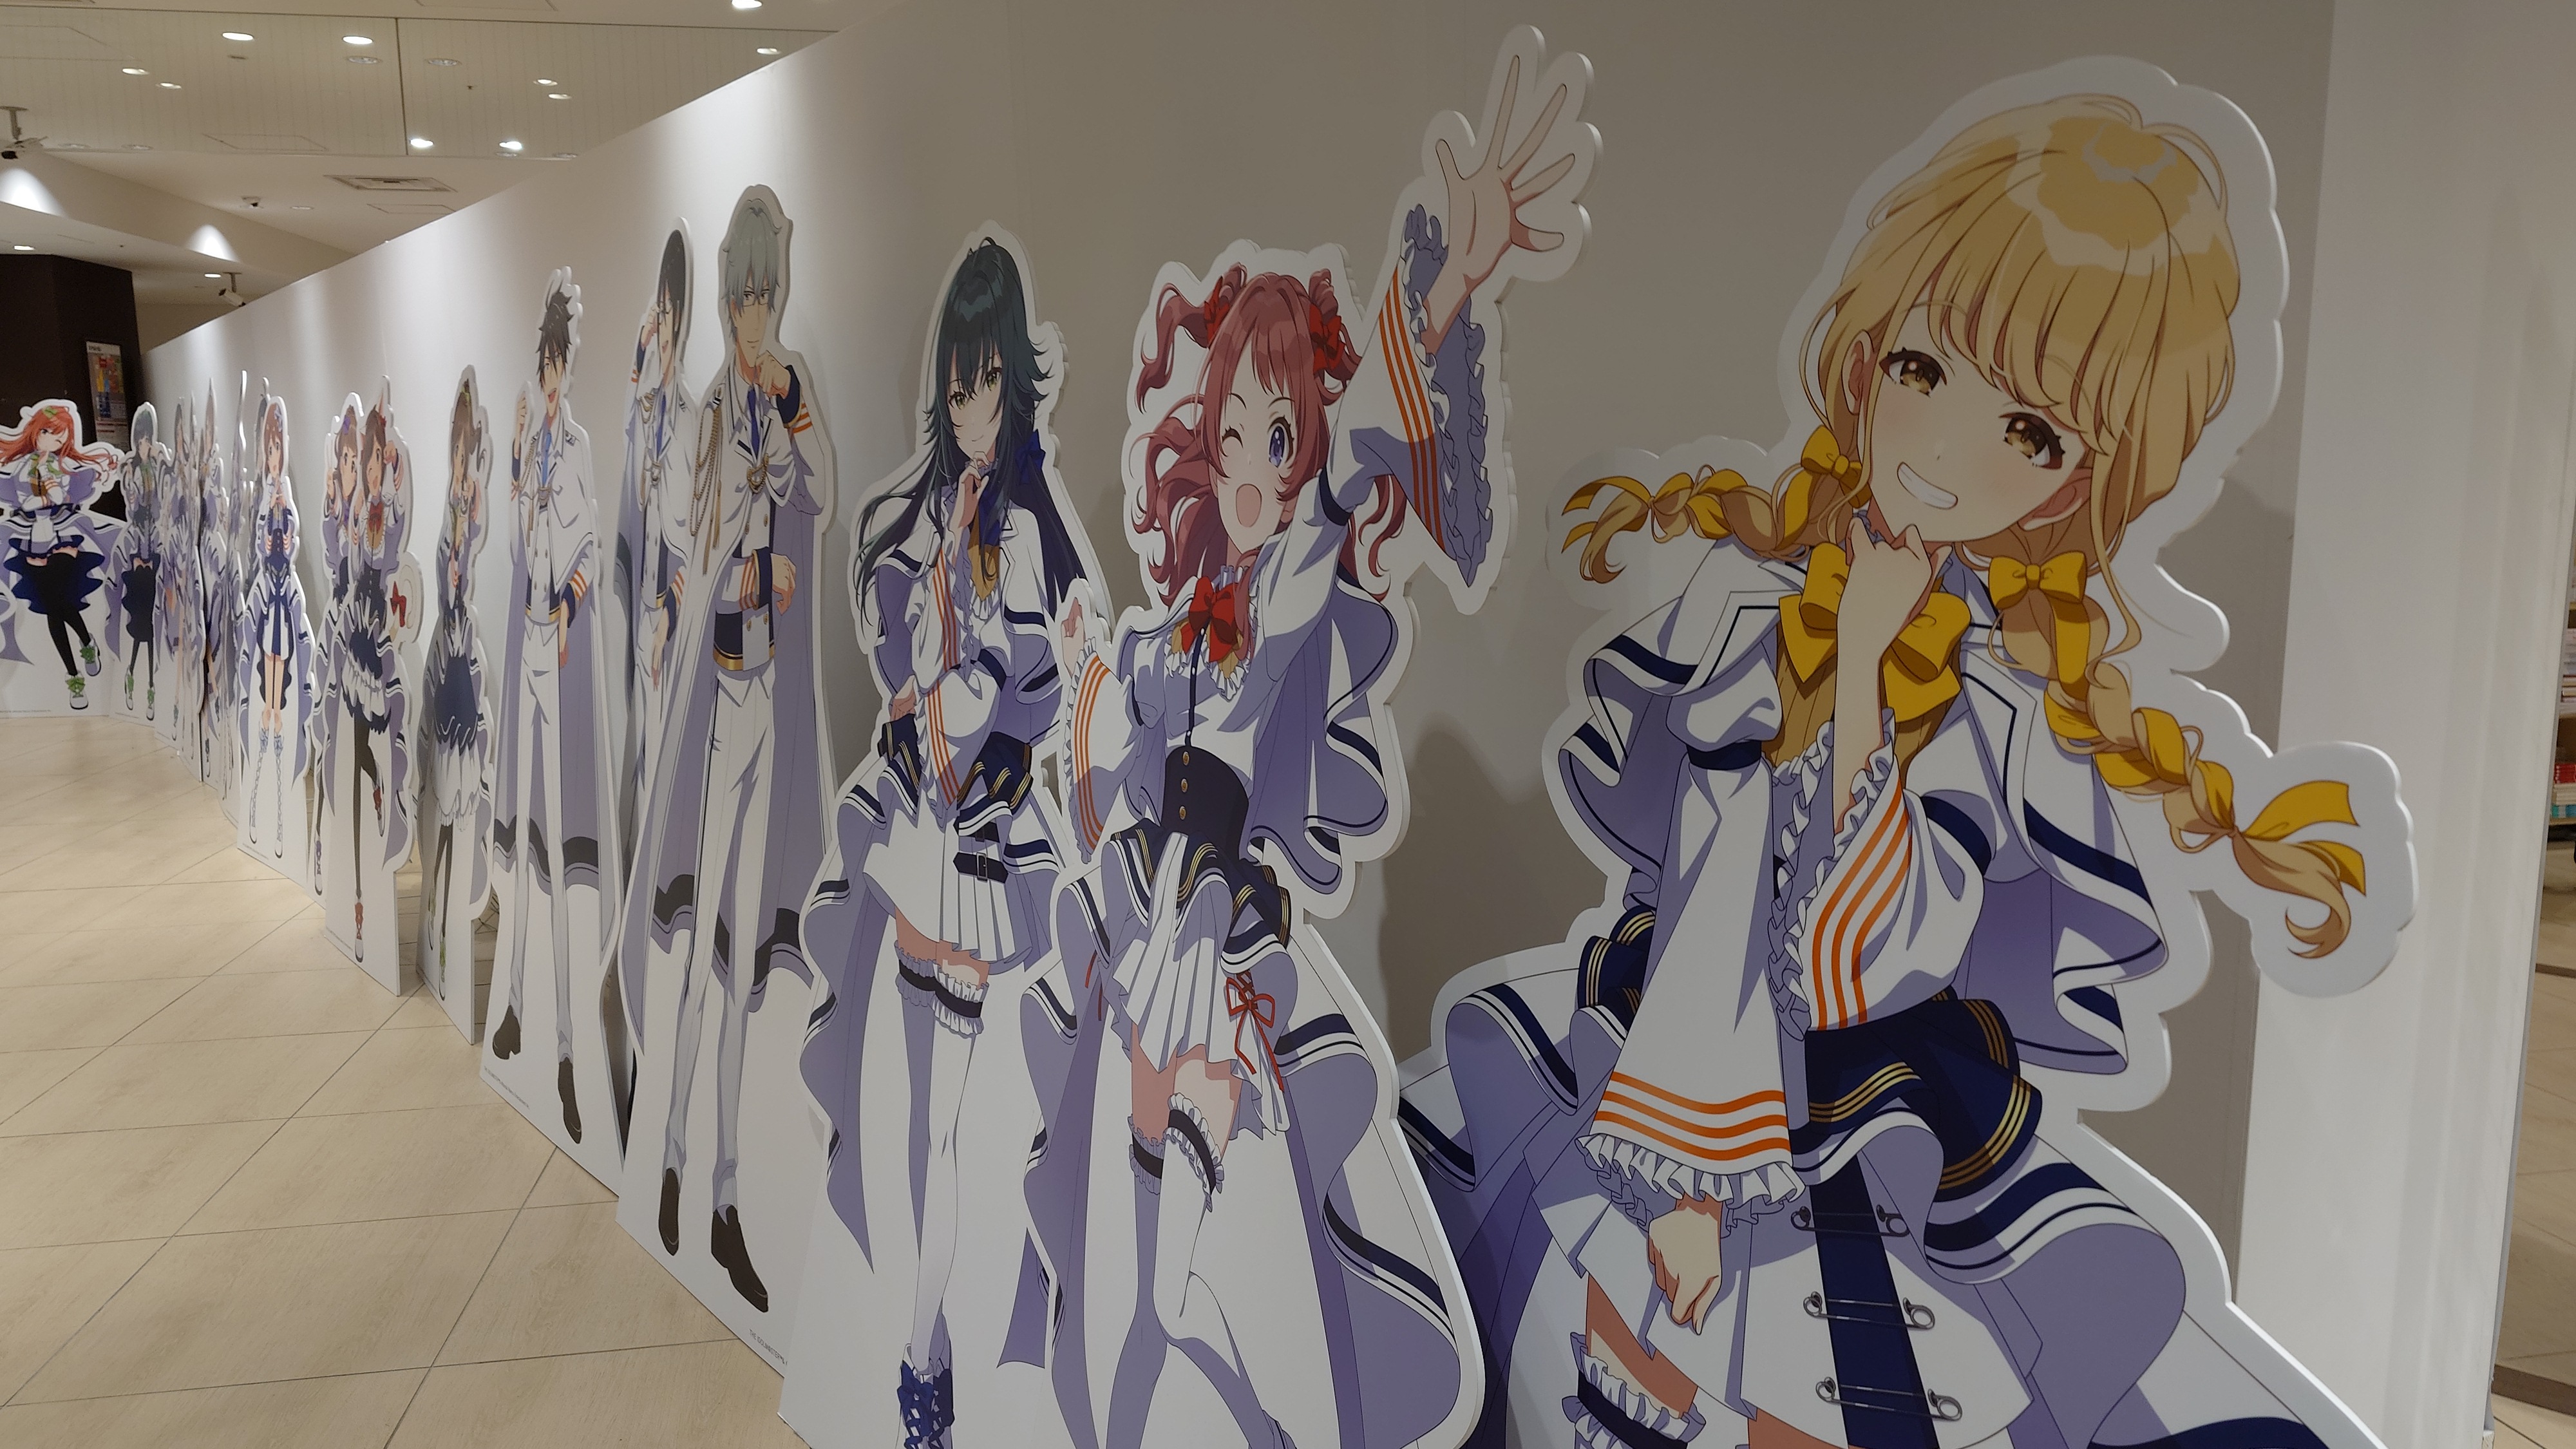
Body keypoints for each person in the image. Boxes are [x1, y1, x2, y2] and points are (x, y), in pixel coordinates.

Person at [1413, 93, 2383, 1449]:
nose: (1940, 448)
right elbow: (1708, 906)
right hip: (1683, 1075)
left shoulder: (1996, 708)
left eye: (2028, 431)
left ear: (2071, 484)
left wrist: (1867, 671)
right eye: (1925, 370)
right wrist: (1688, 1184)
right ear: (1868, 363)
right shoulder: (1743, 617)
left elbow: (1851, 961)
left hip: (1871, 1121)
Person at [1039, 52, 1587, 1447]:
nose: (1247, 460)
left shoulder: (1295, 588)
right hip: (1147, 928)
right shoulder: (1184, 619)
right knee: (1117, 1248)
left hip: (1229, 941)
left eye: (1273, 435)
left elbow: (1368, 468)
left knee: (1242, 1259)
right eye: (1233, 427)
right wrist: (1096, 676)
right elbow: (1113, 761)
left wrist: (1446, 289)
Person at [799, 230, 1092, 1442]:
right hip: (921, 826)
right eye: (959, 388)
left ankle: (929, 1366)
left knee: (956, 1129)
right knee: (915, 1114)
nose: (974, 410)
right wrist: (923, 674)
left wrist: (987, 723)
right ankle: (922, 1360)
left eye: (991, 385)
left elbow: (1042, 678)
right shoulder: (926, 511)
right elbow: (896, 640)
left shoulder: (1021, 529)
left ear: (1016, 382)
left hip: (978, 847)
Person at [623, 189, 827, 1312]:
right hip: (717, 706)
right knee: (707, 956)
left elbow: (820, 488)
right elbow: (693, 555)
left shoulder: (781, 392)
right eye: (745, 297)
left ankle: (727, 1196)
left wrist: (791, 401)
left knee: (745, 962)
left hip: (769, 710)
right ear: (728, 302)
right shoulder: (707, 415)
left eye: (767, 295)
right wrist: (755, 572)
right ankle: (669, 1161)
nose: (755, 314)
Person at [491, 270, 621, 1148]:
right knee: (529, 844)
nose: (549, 374)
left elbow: (590, 546)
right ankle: (513, 1008)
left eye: (558, 361)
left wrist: (569, 604)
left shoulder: (575, 447)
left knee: (562, 844)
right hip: (529, 650)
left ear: (570, 367)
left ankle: (570, 1050)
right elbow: (517, 546)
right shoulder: (531, 445)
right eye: (542, 361)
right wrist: (513, 468)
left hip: (559, 648)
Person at [422, 373, 494, 1008]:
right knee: (442, 813)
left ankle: (446, 930)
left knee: (458, 812)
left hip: (461, 679)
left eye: (468, 451)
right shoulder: (451, 518)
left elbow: (460, 589)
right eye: (457, 447)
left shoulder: (470, 517)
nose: (461, 461)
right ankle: (437, 926)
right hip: (447, 672)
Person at [0, 402, 119, 710]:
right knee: (53, 607)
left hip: (63, 536)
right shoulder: (23, 466)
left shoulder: (59, 465)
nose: (53, 440)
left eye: (60, 436)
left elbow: (56, 497)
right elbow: (28, 501)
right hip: (32, 539)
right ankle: (78, 663)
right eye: (48, 433)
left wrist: (45, 495)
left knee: (59, 601)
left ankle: (82, 654)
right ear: (36, 432)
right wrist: (43, 497)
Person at [240, 395, 312, 855]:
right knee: (268, 655)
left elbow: (290, 543)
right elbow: (263, 543)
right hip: (270, 596)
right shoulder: (268, 500)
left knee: (280, 656)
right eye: (269, 449)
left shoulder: (284, 501)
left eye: (276, 448)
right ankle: (267, 709)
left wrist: (282, 516)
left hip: (283, 597)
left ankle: (275, 711)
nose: (273, 456)